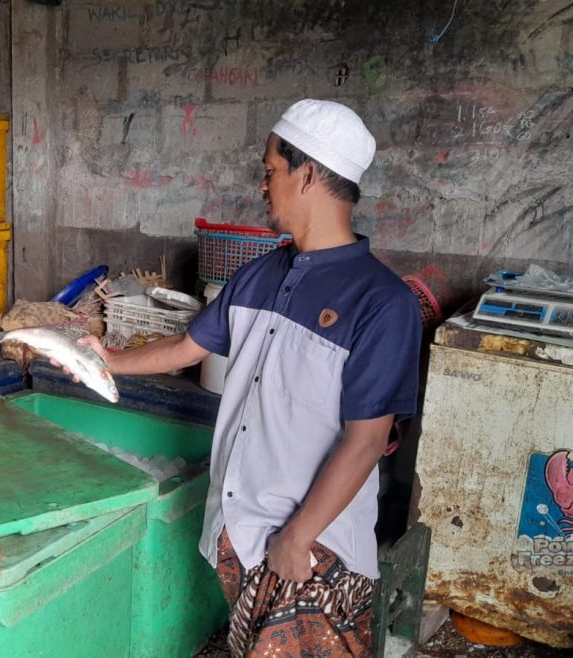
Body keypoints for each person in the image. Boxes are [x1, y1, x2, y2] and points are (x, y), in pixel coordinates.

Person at [79, 99, 422, 657]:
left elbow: (364, 443)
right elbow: (190, 346)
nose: (262, 186)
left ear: (307, 174)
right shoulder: (262, 274)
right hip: (241, 531)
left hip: (315, 551)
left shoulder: (382, 302)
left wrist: (298, 536)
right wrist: (108, 360)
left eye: (270, 171)